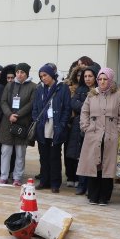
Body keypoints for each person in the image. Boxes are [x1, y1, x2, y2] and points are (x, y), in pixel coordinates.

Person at [77, 67, 120, 205]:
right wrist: (86, 127)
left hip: (111, 136)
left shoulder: (118, 96)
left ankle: (104, 197)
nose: (102, 82)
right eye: (99, 79)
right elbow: (84, 112)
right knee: (94, 165)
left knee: (108, 166)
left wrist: (118, 130)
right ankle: (93, 195)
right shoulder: (91, 95)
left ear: (110, 80)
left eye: (105, 79)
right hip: (93, 135)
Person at [32, 63, 71, 192]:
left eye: (45, 75)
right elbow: (35, 107)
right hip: (42, 125)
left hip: (56, 125)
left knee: (55, 155)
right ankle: (44, 181)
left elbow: (67, 108)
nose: (43, 78)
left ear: (52, 75)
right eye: (41, 76)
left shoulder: (62, 88)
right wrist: (37, 120)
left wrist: (62, 124)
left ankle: (55, 183)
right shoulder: (39, 89)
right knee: (43, 155)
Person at [0, 63, 35, 186]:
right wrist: (9, 114)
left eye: (22, 72)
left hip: (22, 122)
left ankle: (17, 177)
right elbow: (3, 101)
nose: (19, 74)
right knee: (5, 151)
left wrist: (17, 115)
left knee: (20, 152)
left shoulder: (33, 87)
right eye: (17, 72)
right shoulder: (10, 85)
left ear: (27, 73)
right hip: (8, 122)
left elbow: (31, 104)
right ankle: (3, 176)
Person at [68, 64, 99, 195]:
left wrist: (87, 108)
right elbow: (73, 103)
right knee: (82, 157)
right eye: (85, 76)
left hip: (96, 127)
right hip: (80, 127)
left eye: (90, 76)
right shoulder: (80, 89)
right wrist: (88, 107)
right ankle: (81, 185)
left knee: (93, 158)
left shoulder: (100, 90)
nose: (87, 79)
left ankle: (91, 186)